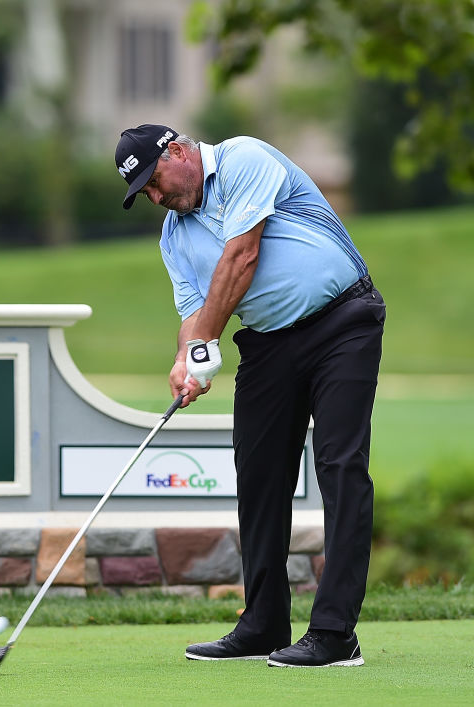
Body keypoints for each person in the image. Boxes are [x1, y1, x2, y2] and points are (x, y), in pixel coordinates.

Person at [115, 124, 385, 668]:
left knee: (340, 465)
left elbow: (242, 255)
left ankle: (335, 633)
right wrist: (184, 360)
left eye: (154, 180)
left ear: (177, 150)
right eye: (144, 192)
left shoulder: (243, 159)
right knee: (259, 477)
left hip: (343, 323)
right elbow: (193, 312)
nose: (156, 196)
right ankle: (263, 623)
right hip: (266, 346)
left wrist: (205, 341)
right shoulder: (173, 234)